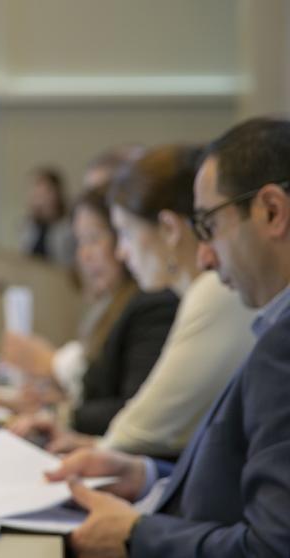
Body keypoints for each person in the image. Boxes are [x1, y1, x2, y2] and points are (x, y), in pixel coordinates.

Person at [47, 117, 290, 557]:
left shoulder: (284, 346)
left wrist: (135, 536)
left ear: (272, 212)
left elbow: (271, 549)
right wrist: (146, 475)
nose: (205, 257)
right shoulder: (274, 327)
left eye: (209, 226)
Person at [15, 145, 257, 459]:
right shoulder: (197, 294)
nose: (121, 252)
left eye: (125, 233)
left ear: (169, 229)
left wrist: (67, 426)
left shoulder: (210, 293)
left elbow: (143, 428)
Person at [2, 184, 180, 437]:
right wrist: (52, 402)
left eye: (94, 239)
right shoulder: (108, 309)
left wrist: (58, 412)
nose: (84, 255)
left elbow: (132, 409)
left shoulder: (151, 304)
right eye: (80, 242)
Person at [20, 166, 76, 267]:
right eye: (37, 192)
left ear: (57, 193)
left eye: (46, 192)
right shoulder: (29, 227)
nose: (41, 198)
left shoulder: (69, 226)